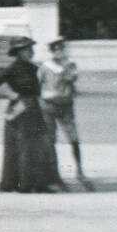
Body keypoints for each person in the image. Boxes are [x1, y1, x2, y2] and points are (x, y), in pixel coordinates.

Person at [0, 36, 65, 193]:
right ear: (18, 52)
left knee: (38, 146)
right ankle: (22, 183)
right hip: (20, 109)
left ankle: (37, 183)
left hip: (35, 108)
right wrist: (13, 95)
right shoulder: (13, 68)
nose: (30, 52)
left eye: (30, 49)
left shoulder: (34, 68)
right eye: (26, 49)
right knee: (23, 146)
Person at [38, 37, 91, 188]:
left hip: (65, 104)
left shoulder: (70, 65)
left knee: (73, 138)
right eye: (57, 49)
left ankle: (79, 169)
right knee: (50, 139)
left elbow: (71, 77)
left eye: (62, 48)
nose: (61, 52)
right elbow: (39, 83)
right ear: (53, 51)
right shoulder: (45, 67)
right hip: (48, 104)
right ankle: (53, 173)